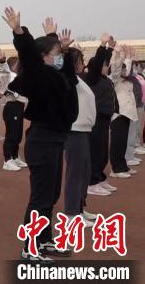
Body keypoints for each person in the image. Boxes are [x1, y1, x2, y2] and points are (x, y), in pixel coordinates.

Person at [2, 11, 79, 262]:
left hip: (55, 139)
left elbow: (69, 77)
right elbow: (30, 57)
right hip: (42, 140)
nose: (60, 57)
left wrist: (57, 42)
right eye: (56, 54)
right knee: (42, 196)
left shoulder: (56, 75)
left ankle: (45, 240)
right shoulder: (39, 74)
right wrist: (19, 32)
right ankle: (30, 247)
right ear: (43, 57)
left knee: (52, 194)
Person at [63, 47, 96, 227]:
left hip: (83, 130)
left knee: (84, 172)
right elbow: (66, 68)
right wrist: (68, 53)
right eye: (80, 61)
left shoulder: (80, 80)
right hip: (75, 130)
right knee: (75, 173)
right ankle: (71, 213)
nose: (83, 64)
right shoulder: (70, 79)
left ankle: (79, 208)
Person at [85, 34, 118, 196]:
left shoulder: (105, 79)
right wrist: (103, 45)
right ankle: (92, 182)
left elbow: (104, 62)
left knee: (103, 152)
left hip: (105, 119)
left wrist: (110, 48)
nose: (107, 67)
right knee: (96, 151)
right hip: (96, 119)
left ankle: (100, 178)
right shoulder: (92, 78)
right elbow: (98, 63)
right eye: (104, 65)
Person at [109, 45, 138, 178]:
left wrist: (129, 58)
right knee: (117, 142)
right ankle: (116, 169)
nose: (125, 71)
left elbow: (127, 71)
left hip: (127, 114)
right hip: (118, 115)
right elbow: (116, 69)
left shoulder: (126, 80)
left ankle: (123, 166)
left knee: (123, 142)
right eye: (123, 69)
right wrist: (117, 55)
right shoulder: (114, 80)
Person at [0, 55, 29, 171]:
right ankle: (7, 159)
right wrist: (2, 61)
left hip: (20, 107)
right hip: (12, 106)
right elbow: (5, 71)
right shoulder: (10, 75)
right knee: (11, 134)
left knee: (17, 134)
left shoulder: (20, 76)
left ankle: (15, 155)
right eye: (17, 63)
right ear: (12, 66)